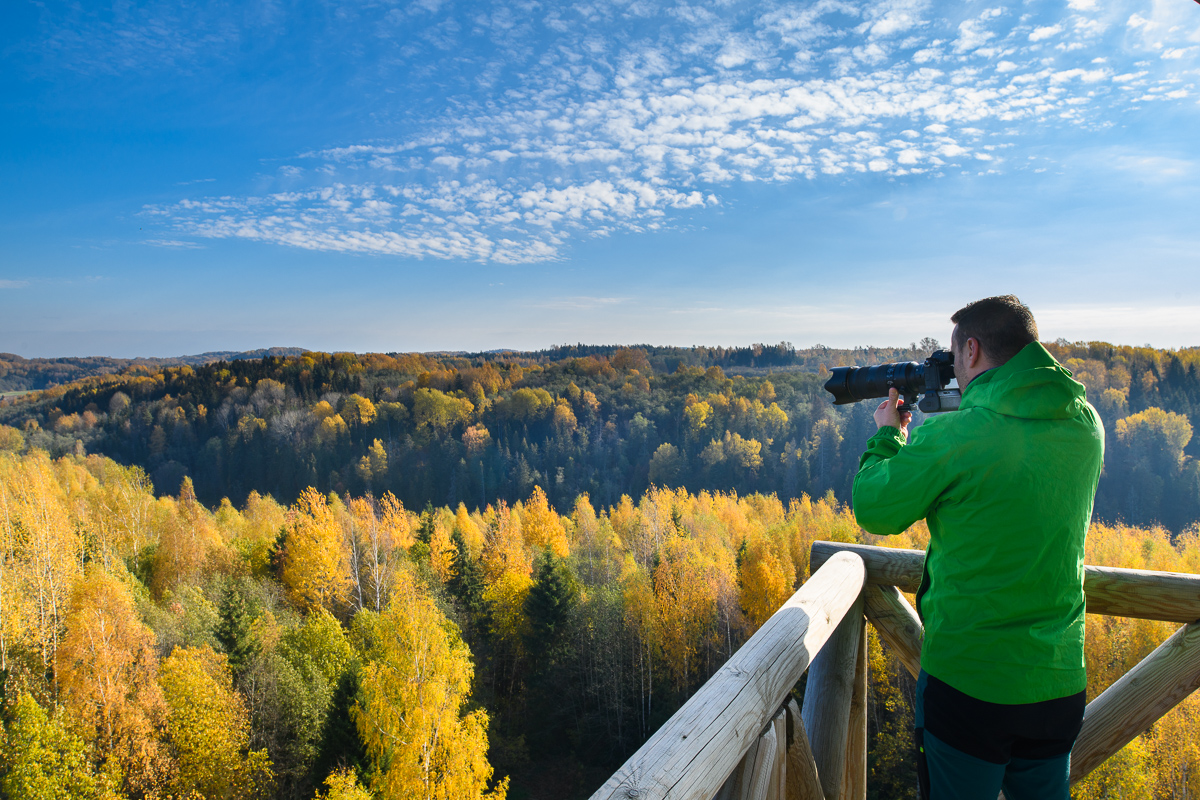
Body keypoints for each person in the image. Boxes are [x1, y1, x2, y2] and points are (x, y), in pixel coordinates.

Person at [851, 295, 1104, 800]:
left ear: (971, 350)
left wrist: (888, 437)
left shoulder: (958, 436)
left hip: (969, 683)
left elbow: (875, 507)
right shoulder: (1086, 424)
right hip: (1055, 683)